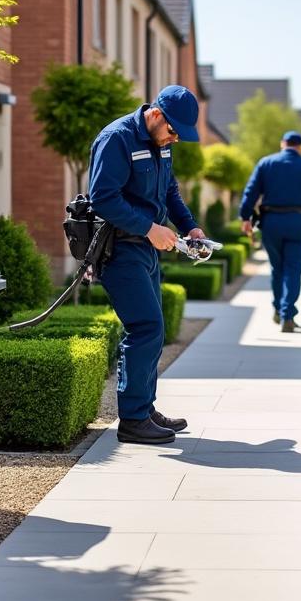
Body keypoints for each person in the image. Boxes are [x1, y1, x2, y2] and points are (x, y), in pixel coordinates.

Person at [88, 85, 206, 444]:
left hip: (147, 250)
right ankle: (133, 420)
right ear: (155, 115)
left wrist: (189, 226)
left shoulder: (160, 145)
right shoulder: (117, 139)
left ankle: (145, 408)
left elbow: (169, 191)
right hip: (120, 249)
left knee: (153, 329)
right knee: (146, 327)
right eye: (172, 131)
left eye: (178, 137)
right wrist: (149, 228)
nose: (173, 140)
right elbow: (103, 198)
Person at [239, 130, 301, 332]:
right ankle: (287, 315)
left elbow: (250, 191)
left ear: (282, 144)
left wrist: (245, 217)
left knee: (277, 268)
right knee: (293, 270)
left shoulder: (265, 164)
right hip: (298, 222)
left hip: (271, 222)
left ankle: (278, 310)